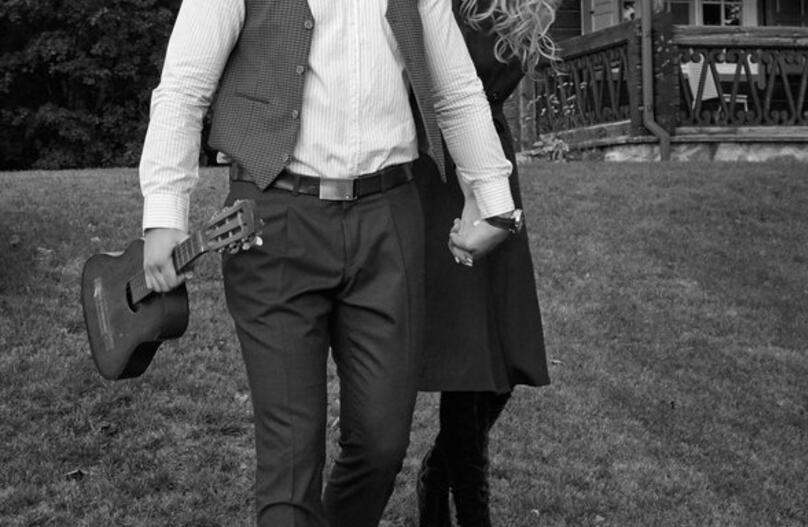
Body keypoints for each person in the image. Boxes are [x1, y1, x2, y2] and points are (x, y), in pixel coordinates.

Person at [138, 1, 522, 525]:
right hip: (271, 220)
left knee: (382, 446)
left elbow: (455, 88)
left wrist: (495, 200)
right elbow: (183, 87)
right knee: (291, 462)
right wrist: (165, 212)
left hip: (389, 218)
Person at [415, 1, 558, 525]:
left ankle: (437, 474)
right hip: (440, 169)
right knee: (468, 356)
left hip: (494, 165)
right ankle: (472, 511)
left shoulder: (529, 8)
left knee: (503, 353)